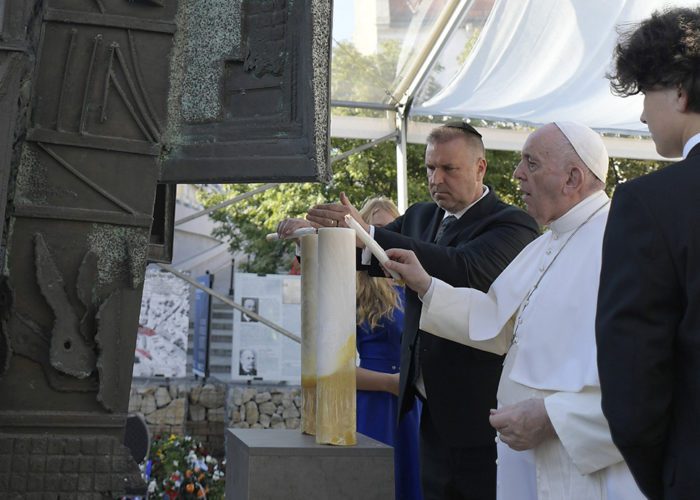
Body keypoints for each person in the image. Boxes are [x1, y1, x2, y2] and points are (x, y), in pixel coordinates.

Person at [384, 122, 644, 500]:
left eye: (531, 164)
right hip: (525, 456)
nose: (517, 174)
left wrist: (555, 418)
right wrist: (426, 285)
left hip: (582, 468)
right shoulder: (545, 243)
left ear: (573, 177)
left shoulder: (623, 244)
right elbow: (496, 320)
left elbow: (647, 380)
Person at [279, 121, 538, 499]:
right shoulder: (421, 216)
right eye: (430, 168)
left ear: (480, 168)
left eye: (449, 169)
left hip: (482, 415)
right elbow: (368, 256)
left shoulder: (513, 224)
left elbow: (463, 267)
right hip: (425, 412)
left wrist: (368, 231)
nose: (437, 179)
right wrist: (315, 237)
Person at [595, 8, 700, 500]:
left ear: (680, 91)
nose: (641, 114)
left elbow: (633, 387)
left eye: (645, 93)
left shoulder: (650, 204)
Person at [354, 197, 422, 500]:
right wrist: (390, 384)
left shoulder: (414, 283)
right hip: (376, 404)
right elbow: (332, 369)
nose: (385, 239)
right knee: (378, 484)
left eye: (393, 231)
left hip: (414, 401)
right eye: (377, 230)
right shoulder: (354, 287)